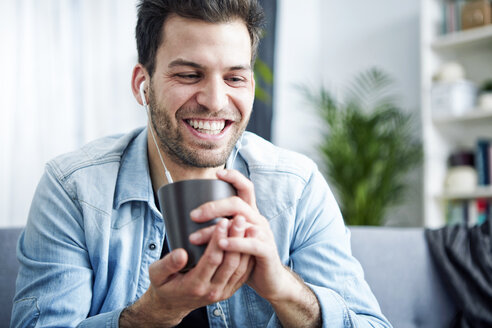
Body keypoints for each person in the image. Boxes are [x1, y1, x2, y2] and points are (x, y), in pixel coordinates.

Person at [11, 0, 392, 327]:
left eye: (235, 77)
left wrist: (283, 287)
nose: (214, 99)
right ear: (142, 84)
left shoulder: (296, 187)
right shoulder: (73, 189)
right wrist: (153, 314)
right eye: (189, 74)